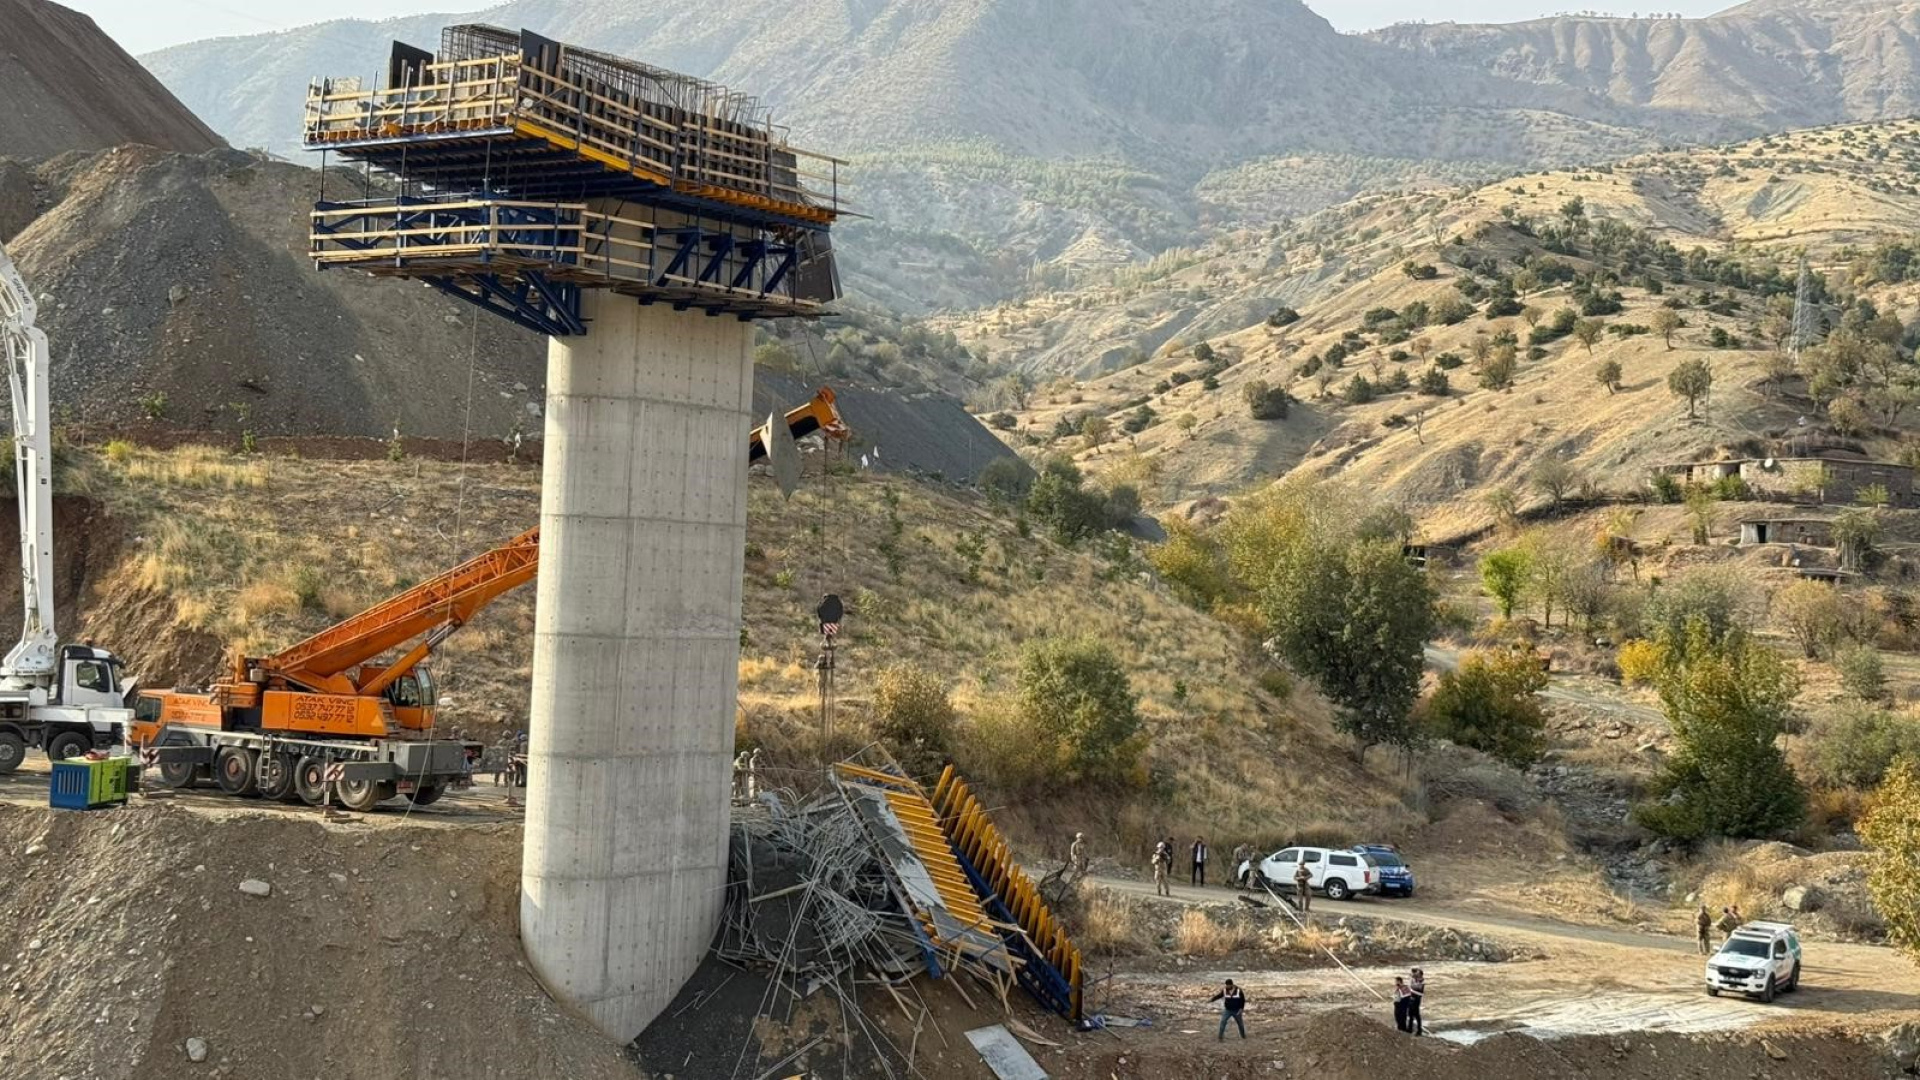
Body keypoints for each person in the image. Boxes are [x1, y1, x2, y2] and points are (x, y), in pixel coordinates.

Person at [1407, 968, 1425, 1036]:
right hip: (1412, 998)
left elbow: (1419, 989)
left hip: (1417, 999)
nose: (1416, 974)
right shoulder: (1415, 979)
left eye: (1417, 973)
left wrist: (1412, 989)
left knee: (1417, 1014)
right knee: (1410, 1014)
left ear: (1420, 974)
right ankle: (1409, 1029)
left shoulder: (1422, 981)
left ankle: (1419, 1030)